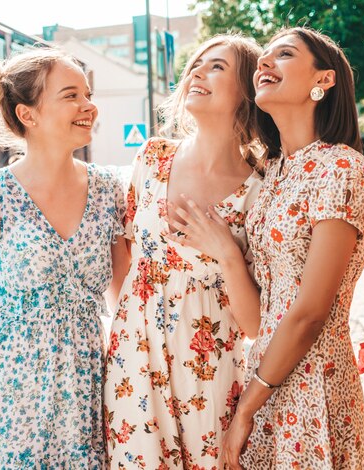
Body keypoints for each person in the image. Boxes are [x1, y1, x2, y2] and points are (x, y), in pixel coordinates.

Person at [174, 27, 364, 469]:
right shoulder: (270, 174)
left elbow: (308, 315)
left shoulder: (341, 167)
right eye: (262, 58)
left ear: (323, 80)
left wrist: (246, 406)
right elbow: (260, 315)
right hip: (265, 382)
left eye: (283, 55)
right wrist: (226, 251)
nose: (264, 64)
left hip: (314, 383)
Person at [0, 48, 130, 468]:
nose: (88, 105)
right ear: (28, 114)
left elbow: (125, 303)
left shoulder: (110, 191)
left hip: (84, 389)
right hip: (7, 393)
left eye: (88, 93)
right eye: (71, 95)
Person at [103, 34, 263, 469]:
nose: (197, 71)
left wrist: (227, 254)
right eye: (196, 63)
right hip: (135, 360)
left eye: (217, 66)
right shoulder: (152, 157)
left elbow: (254, 324)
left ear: (247, 90)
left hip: (210, 366)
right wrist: (130, 329)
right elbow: (125, 253)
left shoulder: (259, 190)